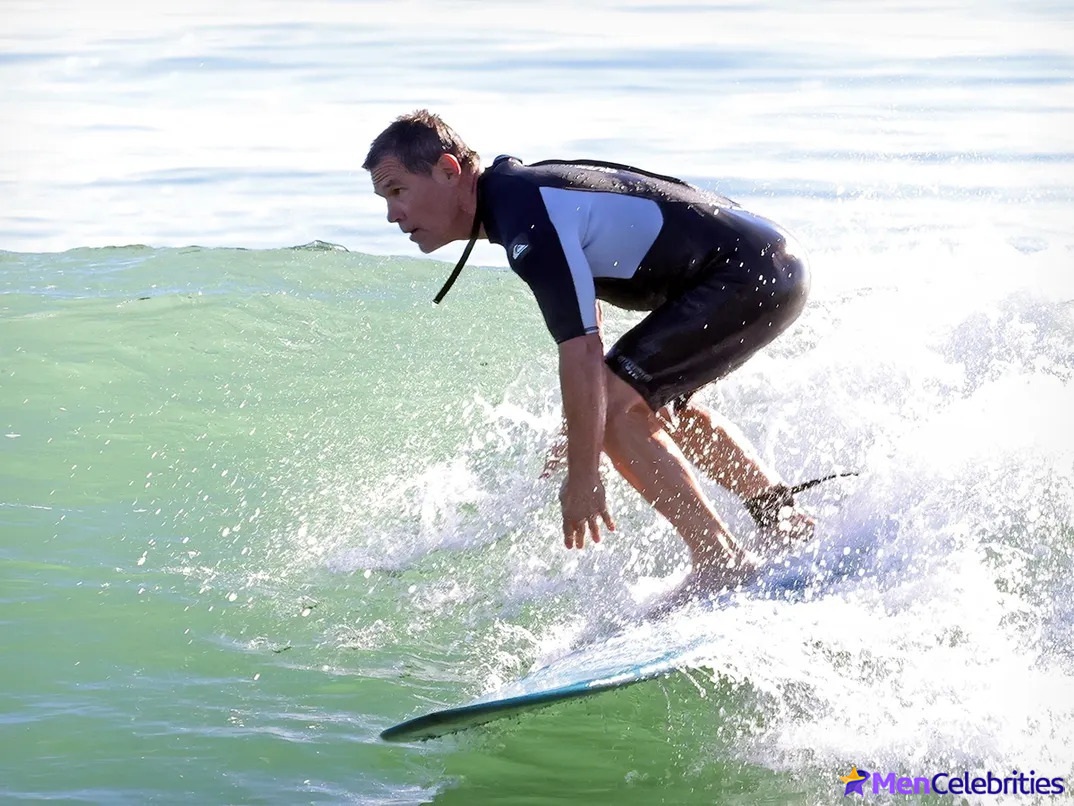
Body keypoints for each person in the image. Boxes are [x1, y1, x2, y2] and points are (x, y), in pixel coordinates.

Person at [363, 109, 816, 605]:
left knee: (618, 412)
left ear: (449, 170)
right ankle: (785, 521)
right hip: (768, 262)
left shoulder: (525, 218)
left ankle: (722, 563)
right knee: (649, 403)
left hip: (748, 271)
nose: (392, 215)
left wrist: (584, 476)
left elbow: (581, 350)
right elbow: (589, 321)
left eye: (398, 191)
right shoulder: (516, 197)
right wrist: (579, 424)